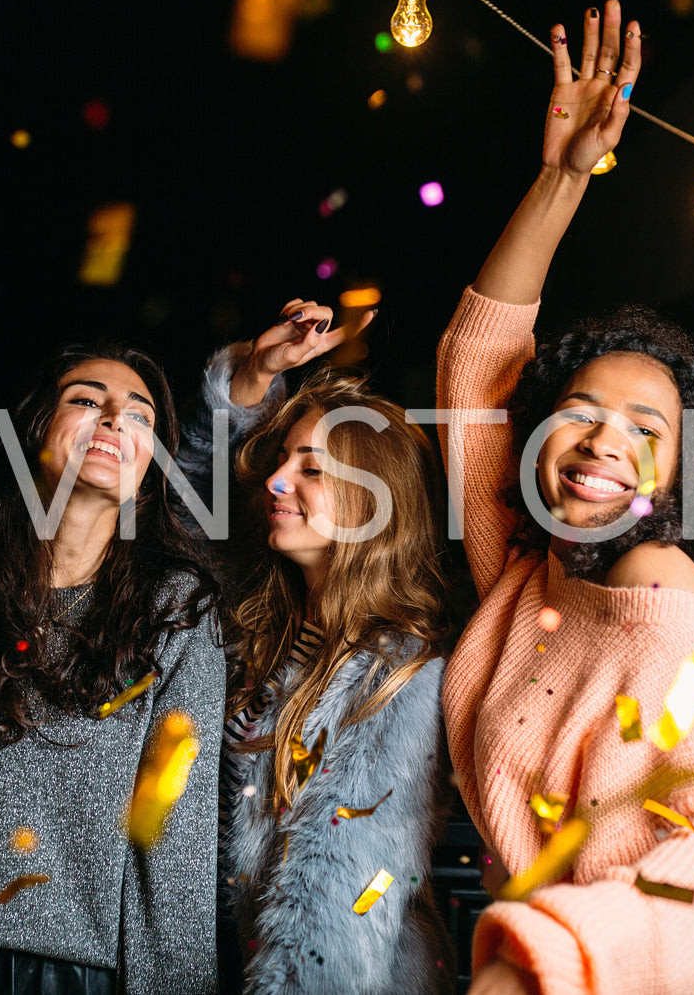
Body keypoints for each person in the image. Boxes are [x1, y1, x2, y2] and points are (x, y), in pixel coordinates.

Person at [436, 0, 694, 993]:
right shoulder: (523, 577)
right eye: (581, 409)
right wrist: (561, 180)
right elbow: (476, 366)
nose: (603, 438)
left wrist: (547, 960)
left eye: (647, 430)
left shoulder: (657, 586)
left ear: (678, 480)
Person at [0, 341, 227, 995]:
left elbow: (175, 850)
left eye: (140, 415)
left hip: (110, 979)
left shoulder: (176, 614)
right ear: (31, 427)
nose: (116, 418)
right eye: (87, 400)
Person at [179, 309, 456, 994]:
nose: (277, 482)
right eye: (279, 460)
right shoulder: (258, 626)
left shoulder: (400, 676)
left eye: (312, 468)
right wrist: (252, 377)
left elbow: (341, 901)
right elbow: (181, 512)